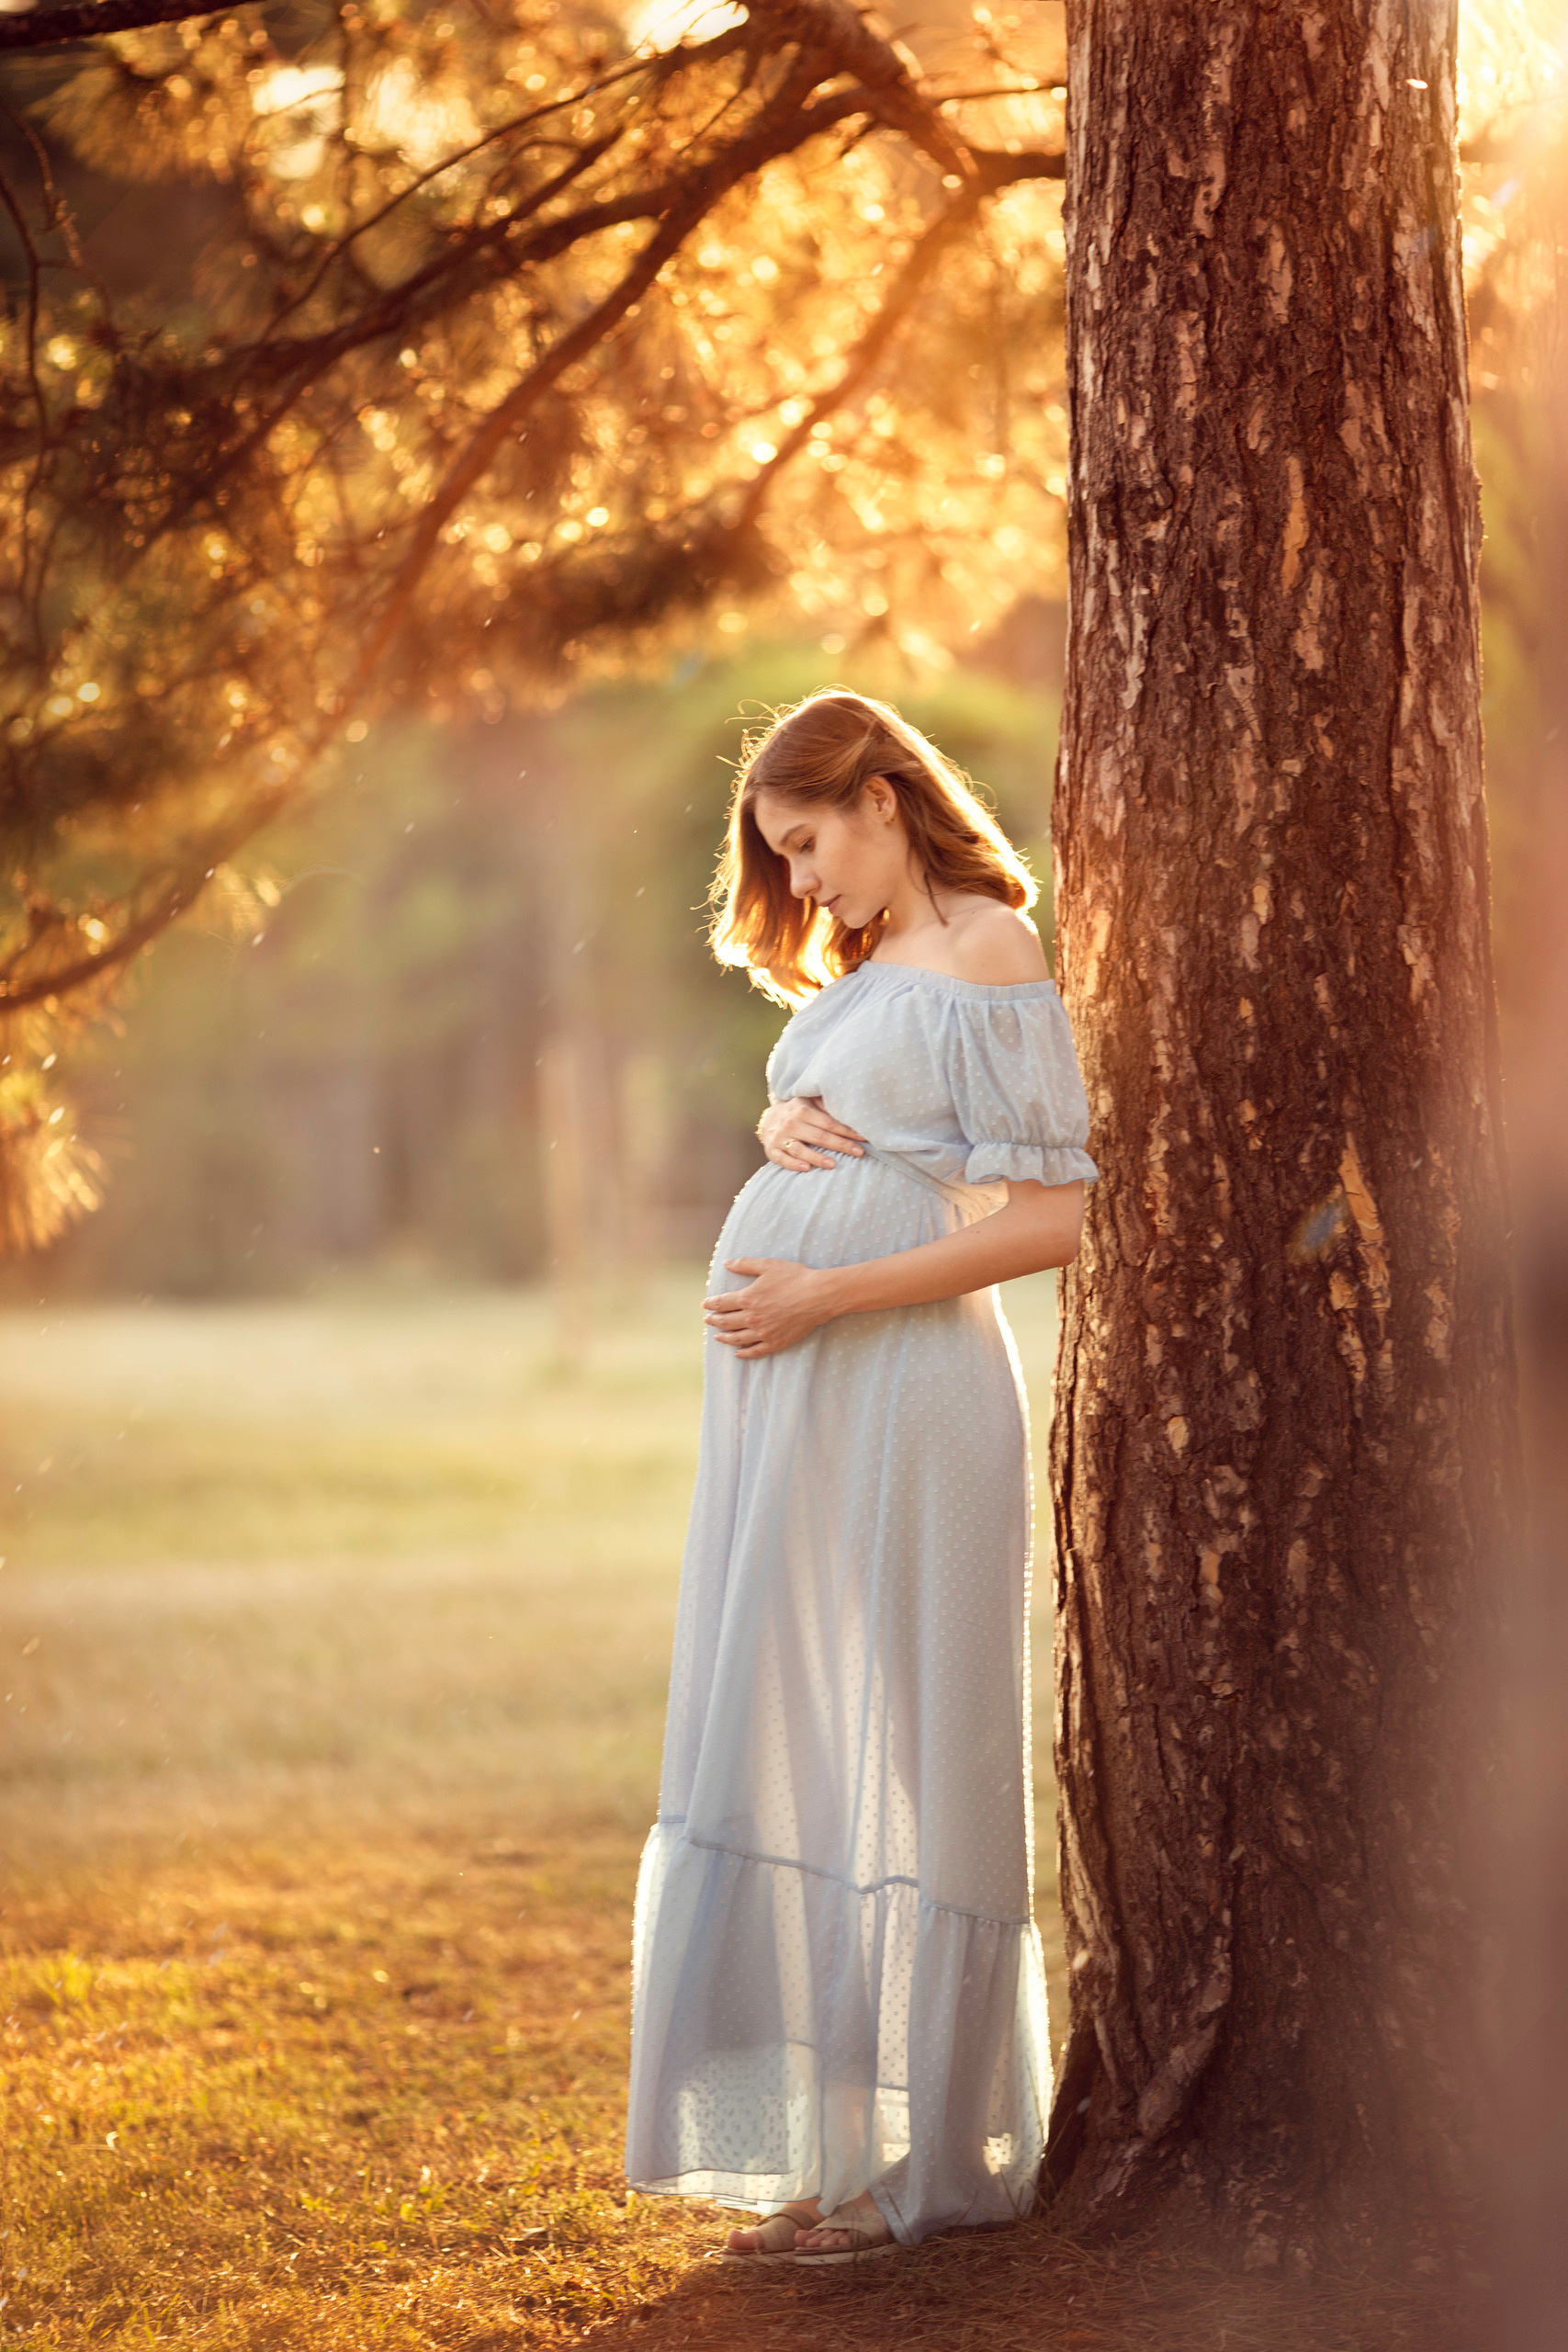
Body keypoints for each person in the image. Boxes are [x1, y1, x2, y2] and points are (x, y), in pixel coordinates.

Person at [624, 688, 1097, 2263]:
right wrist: (779, 1111)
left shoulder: (988, 949)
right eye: (781, 853)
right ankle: (825, 2154)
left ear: (886, 798)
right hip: (796, 1404)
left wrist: (818, 1292)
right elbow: (857, 1117)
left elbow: (1046, 1220)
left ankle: (940, 2150)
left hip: (904, 1388)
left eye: (811, 841)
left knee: (919, 1730)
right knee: (802, 1721)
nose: (803, 879)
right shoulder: (866, 964)